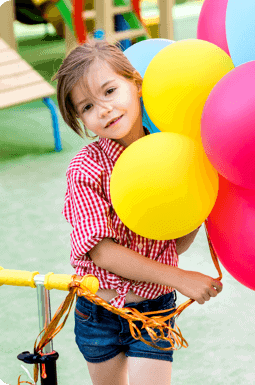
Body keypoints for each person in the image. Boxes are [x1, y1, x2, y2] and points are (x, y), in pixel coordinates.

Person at [52, 38, 223, 385]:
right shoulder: (86, 168)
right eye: (86, 107)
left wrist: (199, 195)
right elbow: (102, 252)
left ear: (136, 84)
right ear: (79, 119)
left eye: (110, 90)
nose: (103, 110)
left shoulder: (173, 154)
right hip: (98, 312)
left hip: (153, 308)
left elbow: (171, 243)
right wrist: (182, 278)